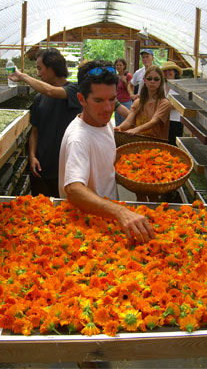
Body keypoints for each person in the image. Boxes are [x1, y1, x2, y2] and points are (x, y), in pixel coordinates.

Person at [58, 60, 154, 244]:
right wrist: (119, 211)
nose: (108, 108)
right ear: (81, 99)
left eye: (112, 99)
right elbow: (73, 189)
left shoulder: (104, 123)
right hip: (87, 231)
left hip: (109, 221)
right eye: (98, 100)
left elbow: (105, 166)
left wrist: (139, 184)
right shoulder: (79, 138)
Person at [22, 48, 81, 197]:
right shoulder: (39, 99)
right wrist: (32, 156)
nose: (38, 73)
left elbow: (51, 91)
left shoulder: (74, 90)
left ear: (52, 68)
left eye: (40, 68)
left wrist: (22, 76)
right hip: (42, 168)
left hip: (65, 168)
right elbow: (35, 130)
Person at [115, 65, 172, 141]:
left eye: (156, 79)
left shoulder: (164, 103)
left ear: (161, 81)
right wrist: (120, 128)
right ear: (144, 80)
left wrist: (136, 130)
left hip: (157, 145)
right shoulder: (137, 102)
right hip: (138, 143)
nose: (152, 81)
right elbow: (128, 121)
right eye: (149, 78)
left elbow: (154, 122)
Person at [161, 61, 184, 145]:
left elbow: (176, 105)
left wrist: (161, 106)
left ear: (175, 72)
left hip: (175, 120)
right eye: (165, 71)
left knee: (173, 145)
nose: (167, 73)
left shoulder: (179, 86)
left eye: (170, 70)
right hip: (162, 120)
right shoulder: (161, 85)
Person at [114, 58, 133, 126]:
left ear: (124, 66)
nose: (118, 67)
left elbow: (130, 90)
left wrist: (124, 81)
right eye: (117, 65)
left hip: (126, 102)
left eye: (120, 65)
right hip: (117, 102)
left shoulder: (128, 76)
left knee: (126, 123)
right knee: (118, 123)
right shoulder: (115, 76)